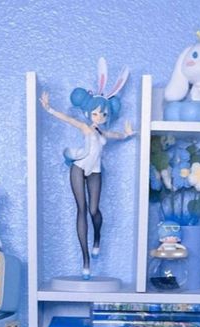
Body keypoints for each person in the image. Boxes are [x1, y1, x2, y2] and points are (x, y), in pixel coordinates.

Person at [40, 59, 134, 278]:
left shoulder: (103, 134)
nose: (99, 117)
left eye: (103, 114)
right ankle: (85, 260)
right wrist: (49, 108)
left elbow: (117, 135)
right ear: (89, 113)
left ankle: (98, 237)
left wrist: (128, 134)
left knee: (94, 210)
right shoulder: (84, 128)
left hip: (96, 171)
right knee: (81, 209)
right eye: (95, 113)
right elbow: (67, 119)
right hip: (79, 167)